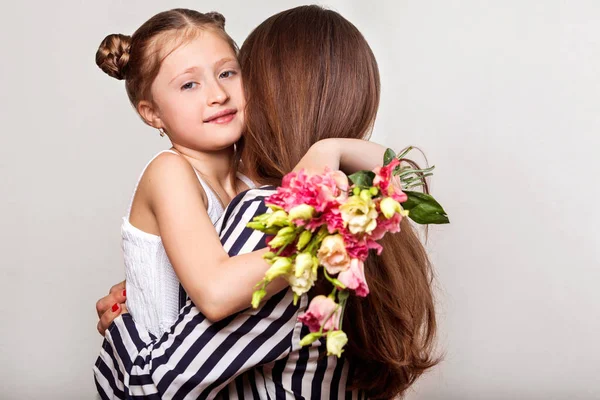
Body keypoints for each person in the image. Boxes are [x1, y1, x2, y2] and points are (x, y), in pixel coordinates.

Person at [94, 5, 438, 399]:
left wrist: (332, 149)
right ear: (151, 113)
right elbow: (216, 290)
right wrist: (320, 234)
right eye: (189, 85)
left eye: (228, 73)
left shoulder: (256, 190)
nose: (217, 94)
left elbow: (406, 180)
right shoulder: (171, 171)